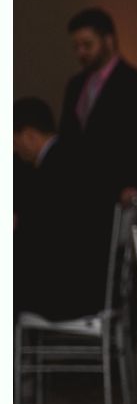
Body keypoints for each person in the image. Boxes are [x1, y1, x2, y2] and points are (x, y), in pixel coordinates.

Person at [14, 97, 105, 319]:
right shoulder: (74, 157)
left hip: (68, 291)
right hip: (91, 282)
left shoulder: (52, 169)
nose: (15, 150)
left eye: (15, 141)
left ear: (29, 135)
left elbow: (39, 233)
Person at [59, 8, 137, 212]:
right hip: (80, 191)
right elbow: (68, 135)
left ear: (108, 41)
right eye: (76, 46)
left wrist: (134, 183)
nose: (81, 53)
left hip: (117, 191)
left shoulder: (135, 83)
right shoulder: (75, 84)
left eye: (87, 45)